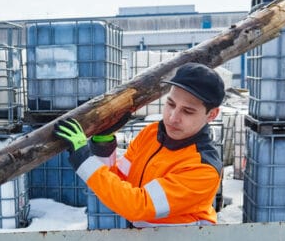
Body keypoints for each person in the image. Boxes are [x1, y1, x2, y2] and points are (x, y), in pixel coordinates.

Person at [54, 62, 224, 226]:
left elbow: (138, 206)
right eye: (171, 104)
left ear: (212, 115)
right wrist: (103, 144)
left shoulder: (203, 169)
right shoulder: (151, 134)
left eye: (187, 111)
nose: (173, 118)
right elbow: (119, 179)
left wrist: (83, 159)